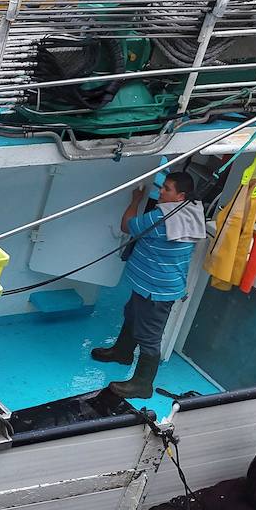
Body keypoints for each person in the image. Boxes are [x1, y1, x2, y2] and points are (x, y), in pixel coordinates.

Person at [91, 171, 206, 399]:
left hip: (156, 290)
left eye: (167, 189)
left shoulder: (160, 217)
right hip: (156, 284)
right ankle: (122, 352)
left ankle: (142, 385)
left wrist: (135, 200)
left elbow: (127, 225)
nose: (161, 192)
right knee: (132, 314)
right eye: (162, 187)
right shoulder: (192, 212)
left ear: (181, 196)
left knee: (150, 337)